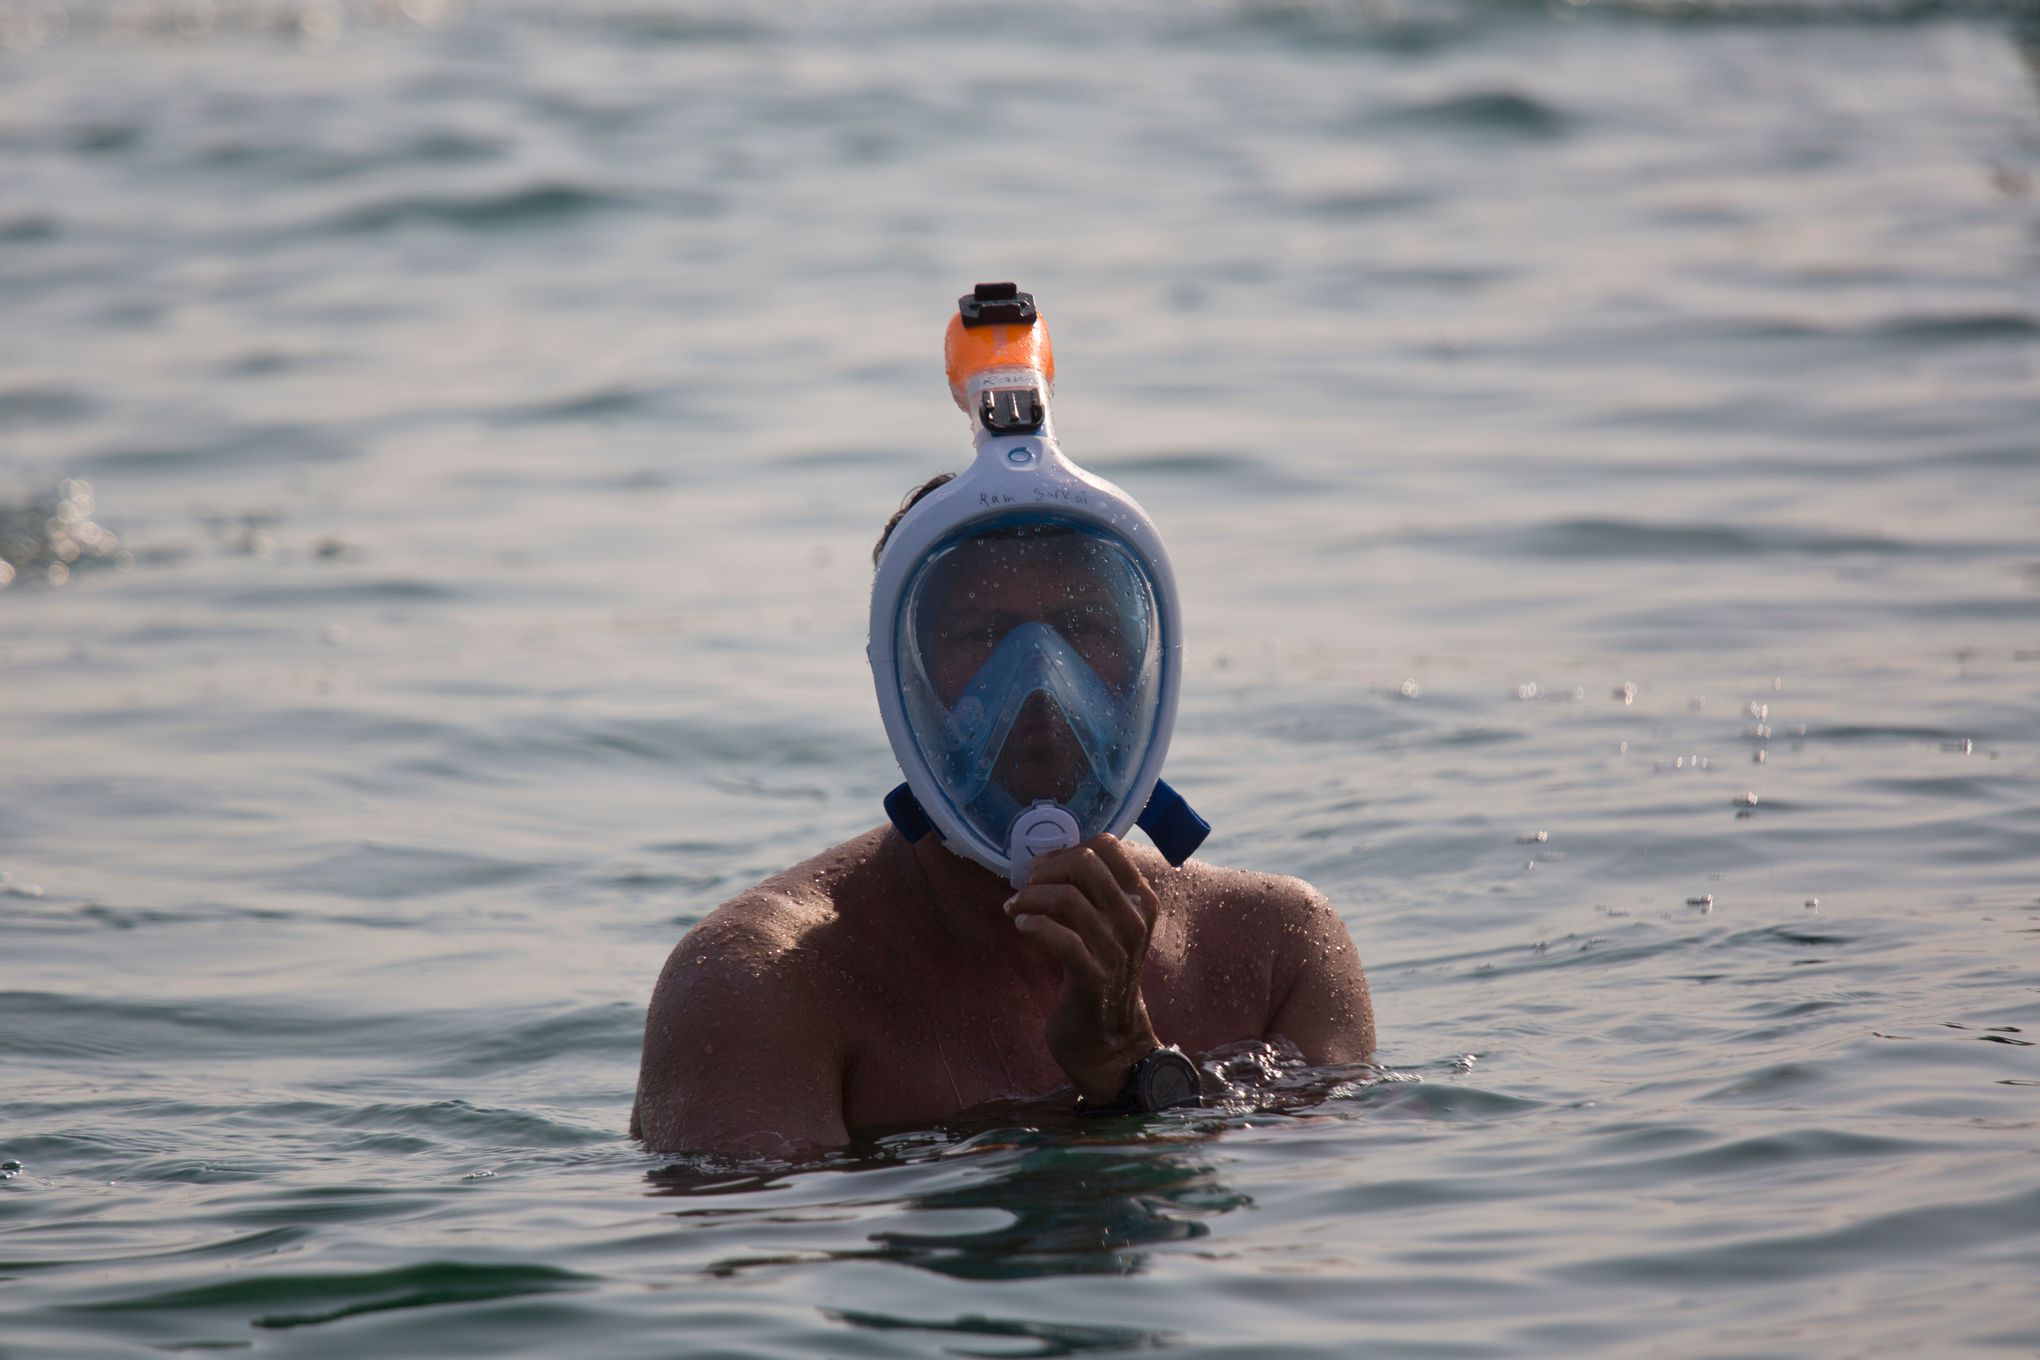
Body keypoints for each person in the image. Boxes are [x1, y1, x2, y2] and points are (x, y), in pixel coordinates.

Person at [632, 285, 1373, 1157]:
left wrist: (1130, 1068)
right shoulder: (761, 987)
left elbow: (1335, 1230)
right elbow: (748, 1275)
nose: (1039, 681)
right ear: (901, 679)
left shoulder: (1276, 954)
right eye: (983, 634)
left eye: (1085, 628)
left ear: (1147, 661)